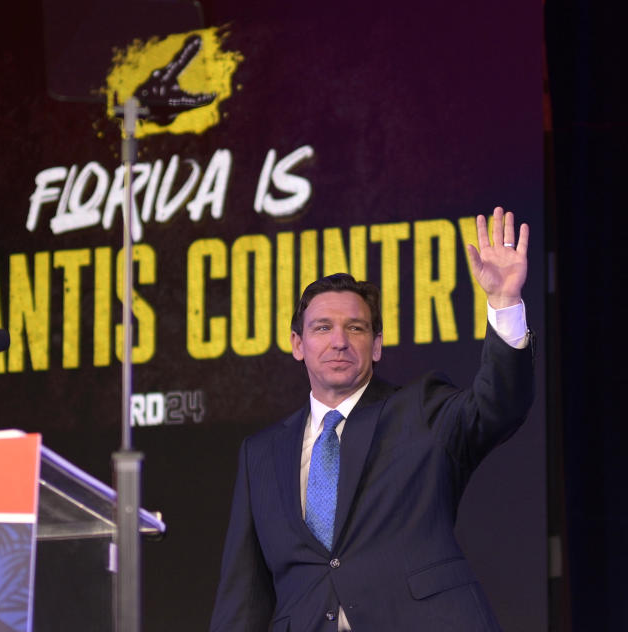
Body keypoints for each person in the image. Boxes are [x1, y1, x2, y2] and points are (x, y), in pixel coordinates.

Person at [209, 207, 533, 631]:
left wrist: (504, 302)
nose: (339, 341)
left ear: (377, 346)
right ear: (297, 344)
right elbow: (243, 596)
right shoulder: (261, 454)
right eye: (322, 328)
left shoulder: (420, 410)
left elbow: (497, 407)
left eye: (356, 329)